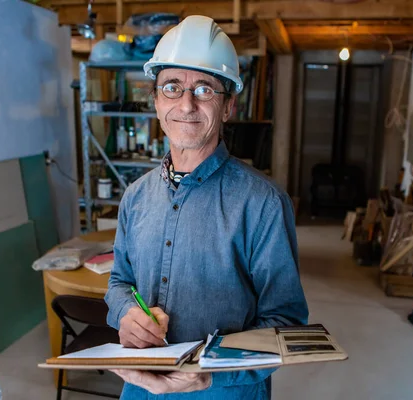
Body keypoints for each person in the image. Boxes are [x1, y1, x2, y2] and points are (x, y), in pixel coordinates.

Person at [104, 15, 309, 400]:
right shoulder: (135, 197)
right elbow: (119, 283)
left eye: (204, 89)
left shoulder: (262, 203)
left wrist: (210, 375)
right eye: (172, 87)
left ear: (229, 106)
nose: (186, 104)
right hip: (141, 390)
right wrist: (125, 316)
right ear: (156, 100)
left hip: (223, 392)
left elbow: (286, 324)